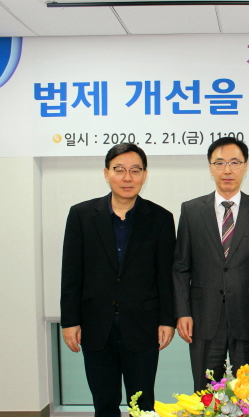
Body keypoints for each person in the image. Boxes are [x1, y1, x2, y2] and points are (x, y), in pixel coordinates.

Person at [60, 143, 176, 417]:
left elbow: (166, 275)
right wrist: (70, 321)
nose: (127, 177)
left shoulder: (160, 218)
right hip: (95, 326)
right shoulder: (81, 215)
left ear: (144, 175)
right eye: (119, 170)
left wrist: (167, 320)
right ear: (106, 173)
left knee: (143, 404)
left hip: (143, 326)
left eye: (135, 170)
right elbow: (71, 273)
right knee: (104, 402)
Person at [173, 136, 249, 392]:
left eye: (234, 163)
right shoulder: (191, 210)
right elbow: (181, 268)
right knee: (205, 391)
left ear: (245, 167)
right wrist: (183, 312)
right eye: (220, 163)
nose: (227, 170)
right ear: (210, 168)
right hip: (203, 317)